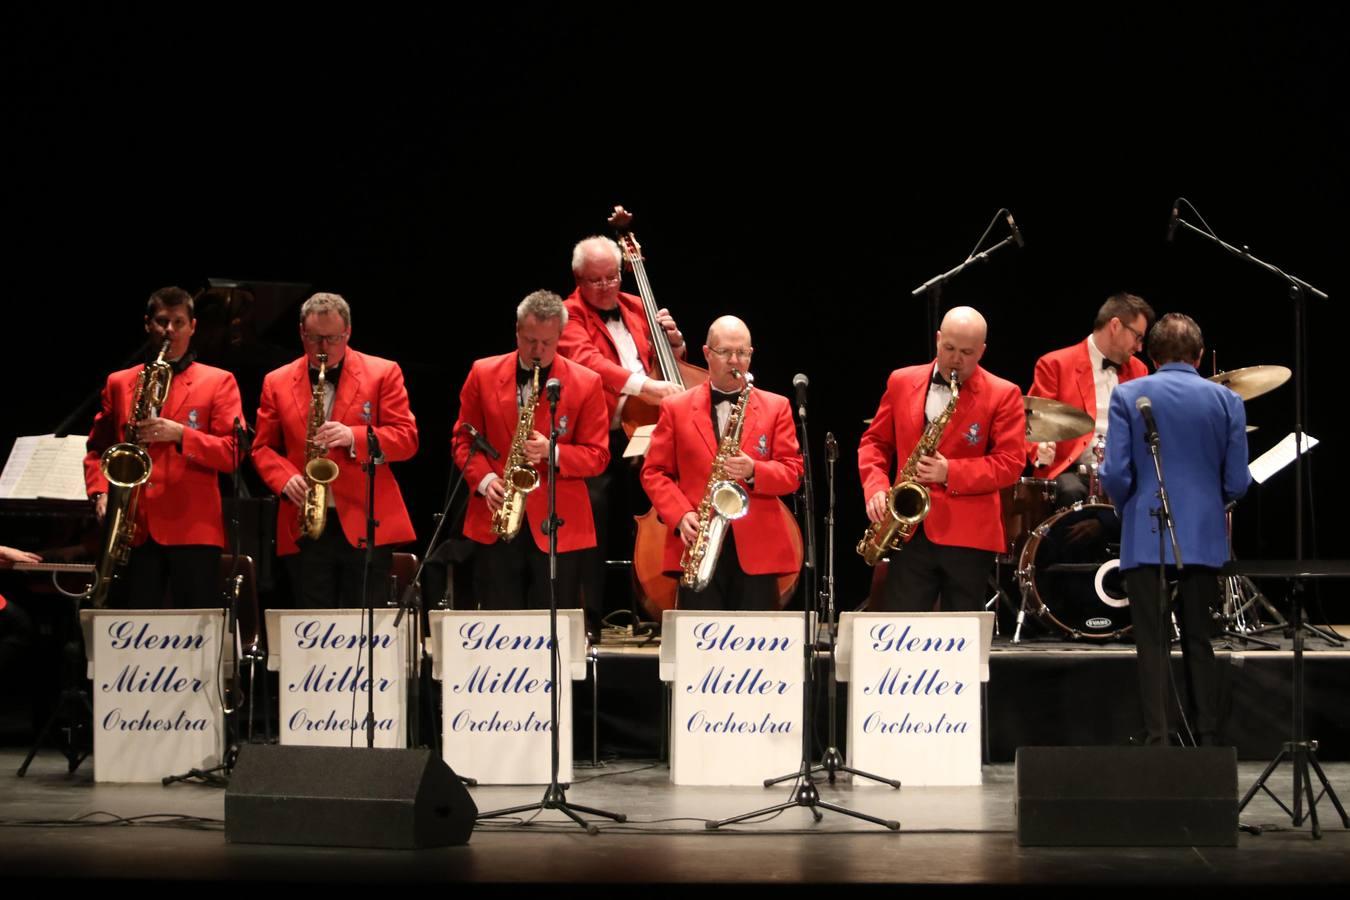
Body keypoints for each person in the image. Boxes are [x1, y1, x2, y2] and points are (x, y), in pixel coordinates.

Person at [1100, 313, 1249, 746]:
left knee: (1152, 641)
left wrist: (1129, 504)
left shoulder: (1129, 394)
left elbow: (1115, 472)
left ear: (1150, 354)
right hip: (1204, 534)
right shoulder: (1227, 401)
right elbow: (1238, 482)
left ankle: (1158, 736)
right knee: (1199, 638)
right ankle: (1207, 735)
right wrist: (1206, 505)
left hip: (1145, 532)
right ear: (1200, 357)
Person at [252, 292, 418, 607]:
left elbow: (407, 438)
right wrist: (284, 479)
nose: (323, 348)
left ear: (348, 333)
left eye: (333, 339)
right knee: (312, 625)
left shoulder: (383, 372)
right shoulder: (276, 381)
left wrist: (353, 436)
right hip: (305, 521)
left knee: (363, 627)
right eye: (315, 339)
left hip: (365, 518)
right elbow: (262, 447)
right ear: (302, 333)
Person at [84, 286, 243, 608]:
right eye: (161, 321)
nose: (169, 330)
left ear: (193, 326)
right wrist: (100, 493)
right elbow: (98, 448)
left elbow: (232, 454)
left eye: (178, 322)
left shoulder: (219, 381)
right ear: (148, 324)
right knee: (131, 626)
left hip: (193, 529)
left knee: (194, 631)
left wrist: (181, 435)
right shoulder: (119, 382)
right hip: (134, 524)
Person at [858, 306, 1025, 611]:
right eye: (949, 348)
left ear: (982, 351)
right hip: (909, 530)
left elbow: (1010, 464)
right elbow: (875, 443)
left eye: (967, 352)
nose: (956, 359)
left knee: (961, 638)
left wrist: (950, 472)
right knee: (901, 633)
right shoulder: (900, 380)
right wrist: (876, 488)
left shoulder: (1004, 393)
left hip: (969, 535)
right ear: (937, 339)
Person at [558, 236, 688, 626]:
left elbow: (662, 363)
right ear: (578, 279)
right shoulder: (568, 314)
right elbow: (589, 362)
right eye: (596, 280)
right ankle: (590, 616)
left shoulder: (636, 306)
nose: (607, 286)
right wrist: (646, 387)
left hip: (647, 430)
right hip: (598, 435)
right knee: (591, 523)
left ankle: (660, 602)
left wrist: (676, 345)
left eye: (612, 277)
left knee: (672, 503)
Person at [452, 290, 609, 610]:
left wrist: (553, 453)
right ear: (516, 331)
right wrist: (484, 482)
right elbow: (463, 440)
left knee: (554, 627)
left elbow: (598, 456)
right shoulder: (482, 373)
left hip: (558, 525)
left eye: (547, 343)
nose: (537, 350)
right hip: (496, 515)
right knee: (497, 621)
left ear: (560, 337)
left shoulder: (587, 381)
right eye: (529, 340)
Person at [641, 316, 802, 611]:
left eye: (743, 353)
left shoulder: (777, 406)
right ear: (706, 353)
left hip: (757, 550)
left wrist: (755, 470)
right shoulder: (675, 408)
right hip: (697, 542)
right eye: (726, 352)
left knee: (756, 647)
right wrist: (680, 515)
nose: (735, 361)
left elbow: (792, 473)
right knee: (698, 646)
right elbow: (654, 472)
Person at [1028, 292, 1155, 506]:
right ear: (1115, 326)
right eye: (1138, 337)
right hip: (1072, 472)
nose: (1140, 347)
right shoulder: (1055, 364)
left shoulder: (1139, 370)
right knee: (1070, 491)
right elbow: (1033, 423)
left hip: (1120, 473)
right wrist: (1040, 449)